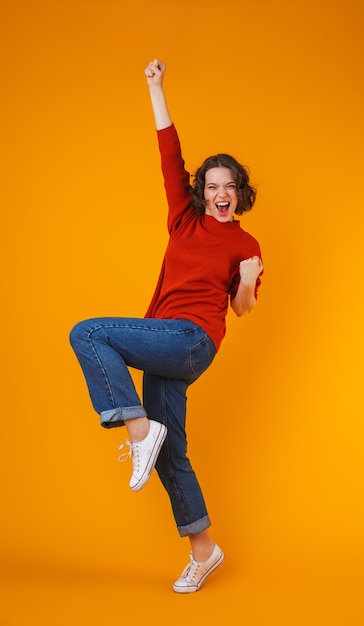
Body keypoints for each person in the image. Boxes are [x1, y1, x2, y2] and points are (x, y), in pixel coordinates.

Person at [69, 59, 263, 593]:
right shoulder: (183, 217)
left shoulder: (246, 245)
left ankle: (135, 429)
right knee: (171, 452)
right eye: (212, 185)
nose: (221, 193)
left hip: (192, 340)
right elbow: (168, 150)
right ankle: (205, 550)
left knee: (87, 333)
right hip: (163, 339)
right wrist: (155, 87)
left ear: (241, 193)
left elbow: (243, 309)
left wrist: (247, 279)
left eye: (230, 187)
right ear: (202, 191)